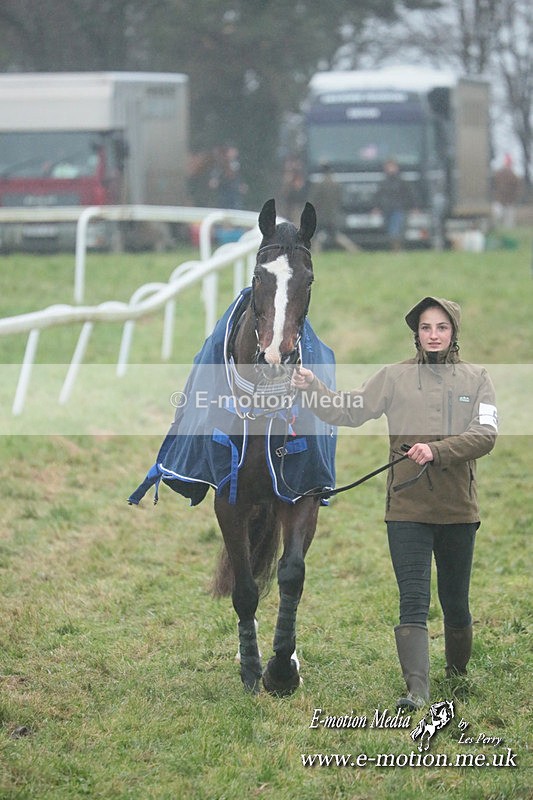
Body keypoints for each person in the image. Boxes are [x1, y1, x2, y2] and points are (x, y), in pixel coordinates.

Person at [292, 296, 498, 709]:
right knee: (413, 599)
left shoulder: (477, 378)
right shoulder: (393, 377)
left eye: (442, 327)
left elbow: (486, 435)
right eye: (426, 328)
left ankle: (457, 677)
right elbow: (348, 411)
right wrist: (314, 388)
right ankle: (417, 692)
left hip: (459, 509)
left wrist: (437, 451)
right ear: (416, 334)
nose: (433, 335)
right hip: (406, 508)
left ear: (454, 332)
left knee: (455, 601)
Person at [310, 163, 358, 253]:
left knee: (316, 236)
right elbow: (340, 200)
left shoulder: (319, 185)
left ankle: (316, 253)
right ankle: (353, 249)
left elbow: (314, 201)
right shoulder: (337, 184)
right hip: (333, 215)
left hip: (321, 215)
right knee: (336, 235)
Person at [373, 158, 416, 251]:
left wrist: (413, 207)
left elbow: (410, 195)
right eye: (388, 167)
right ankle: (395, 248)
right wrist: (376, 207)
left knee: (395, 229)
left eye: (392, 167)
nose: (390, 169)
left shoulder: (402, 182)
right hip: (386, 209)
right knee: (390, 229)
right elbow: (378, 196)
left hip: (399, 209)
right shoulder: (383, 182)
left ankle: (397, 248)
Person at [492, 154, 521, 229]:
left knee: (509, 221)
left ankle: (507, 230)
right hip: (499, 199)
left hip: (509, 201)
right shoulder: (498, 174)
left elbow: (517, 189)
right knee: (497, 215)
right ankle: (496, 228)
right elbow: (494, 185)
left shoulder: (514, 176)